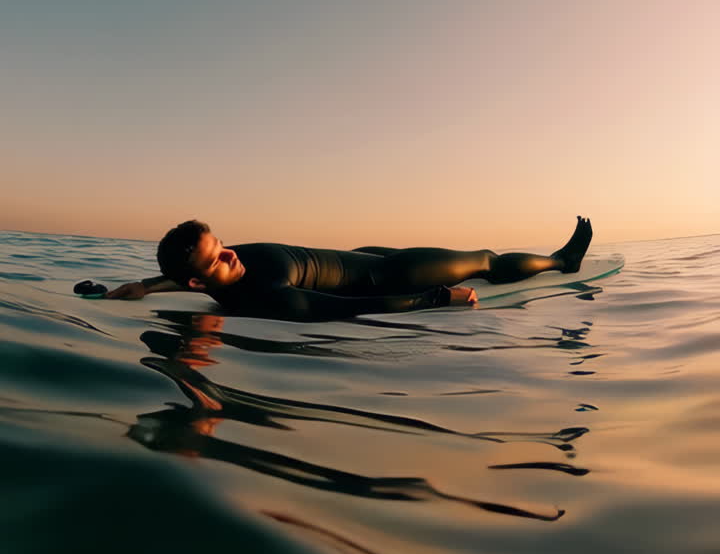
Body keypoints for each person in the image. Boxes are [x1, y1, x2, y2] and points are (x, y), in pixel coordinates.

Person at [103, 216, 593, 322]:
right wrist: (438, 298)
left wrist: (144, 286)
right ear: (199, 281)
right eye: (220, 258)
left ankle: (556, 260)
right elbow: (354, 308)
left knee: (480, 259)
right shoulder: (270, 294)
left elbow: (187, 276)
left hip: (364, 258)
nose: (233, 253)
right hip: (391, 278)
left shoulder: (215, 270)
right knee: (483, 262)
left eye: (224, 245)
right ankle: (564, 261)